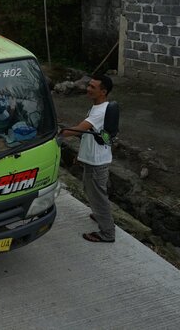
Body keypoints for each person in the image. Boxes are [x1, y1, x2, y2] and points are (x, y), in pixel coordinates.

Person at [61, 74, 116, 243]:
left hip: (97, 162)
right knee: (91, 190)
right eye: (89, 85)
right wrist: (81, 156)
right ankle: (99, 214)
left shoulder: (99, 112)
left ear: (103, 92)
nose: (88, 89)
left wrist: (59, 134)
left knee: (98, 197)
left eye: (93, 87)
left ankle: (107, 233)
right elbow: (88, 135)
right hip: (95, 158)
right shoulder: (99, 106)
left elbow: (79, 130)